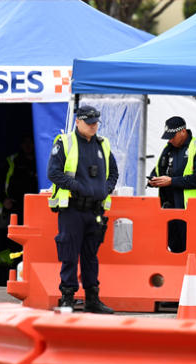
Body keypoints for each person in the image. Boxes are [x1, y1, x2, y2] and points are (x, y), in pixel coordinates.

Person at [46, 105, 119, 314]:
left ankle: (92, 299)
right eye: (89, 123)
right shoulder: (65, 143)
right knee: (69, 253)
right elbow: (53, 173)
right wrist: (78, 187)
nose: (93, 126)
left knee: (91, 255)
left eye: (96, 122)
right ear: (78, 122)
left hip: (95, 211)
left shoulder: (103, 144)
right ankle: (67, 298)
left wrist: (106, 188)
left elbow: (113, 171)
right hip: (73, 209)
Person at [147, 116, 196, 252]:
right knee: (174, 249)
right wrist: (154, 179)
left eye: (172, 136)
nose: (170, 140)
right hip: (169, 209)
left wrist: (171, 181)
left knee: (191, 250)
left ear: (183, 131)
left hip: (190, 211)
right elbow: (160, 168)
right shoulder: (169, 148)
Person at [0, 135, 39, 224]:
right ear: (21, 145)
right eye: (25, 143)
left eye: (30, 142)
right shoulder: (13, 161)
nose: (28, 145)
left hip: (36, 208)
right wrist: (3, 199)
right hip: (14, 208)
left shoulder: (41, 161)